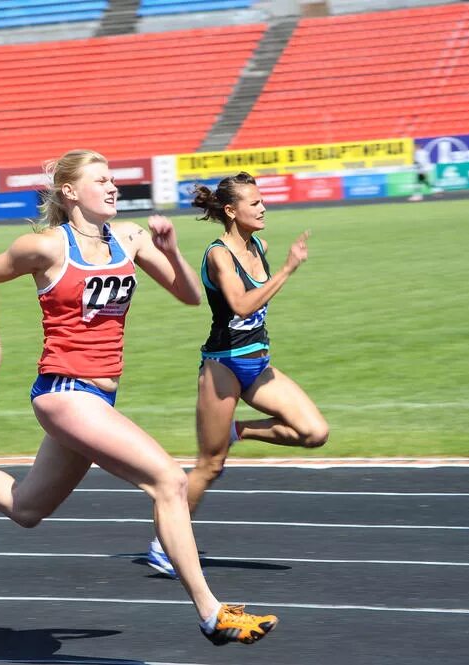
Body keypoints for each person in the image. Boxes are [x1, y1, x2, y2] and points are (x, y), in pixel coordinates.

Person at [0, 150, 279, 645]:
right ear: (69, 192)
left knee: (26, 508)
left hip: (97, 400)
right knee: (169, 481)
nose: (113, 187)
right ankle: (211, 612)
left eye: (114, 180)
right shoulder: (44, 247)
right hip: (62, 392)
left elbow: (190, 296)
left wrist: (169, 250)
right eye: (101, 180)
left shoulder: (129, 238)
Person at [145, 172, 328, 579]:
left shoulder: (257, 245)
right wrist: (286, 270)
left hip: (258, 364)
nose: (263, 208)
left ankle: (239, 430)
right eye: (255, 203)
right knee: (210, 466)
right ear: (231, 211)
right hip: (222, 367)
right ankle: (163, 545)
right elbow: (242, 306)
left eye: (263, 202)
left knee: (314, 433)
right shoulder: (219, 255)